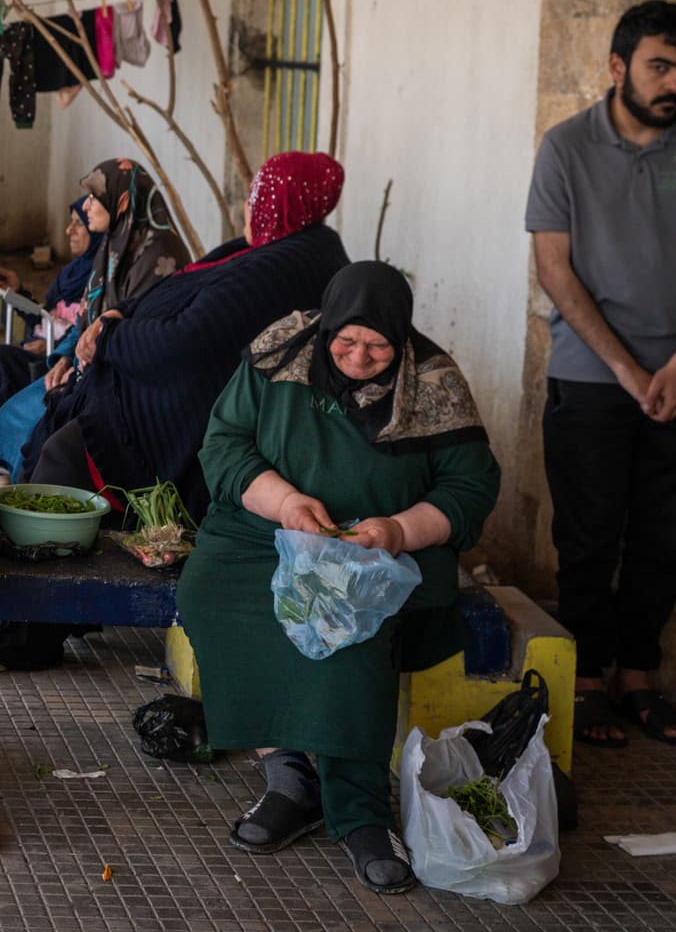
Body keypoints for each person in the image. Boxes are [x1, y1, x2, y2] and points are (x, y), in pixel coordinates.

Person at [177, 263, 500, 896]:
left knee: (348, 627)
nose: (358, 357)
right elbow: (225, 443)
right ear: (325, 326)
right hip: (268, 530)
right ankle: (290, 777)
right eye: (344, 342)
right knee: (213, 591)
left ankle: (361, 814)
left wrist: (396, 532)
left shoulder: (432, 380)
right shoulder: (279, 354)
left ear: (400, 339)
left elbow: (470, 486)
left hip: (377, 546)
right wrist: (289, 505)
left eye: (377, 346)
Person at [0, 152, 350, 673]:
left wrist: (113, 337)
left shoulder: (286, 264)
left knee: (62, 460)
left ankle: (24, 630)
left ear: (282, 203)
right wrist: (113, 323)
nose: (247, 205)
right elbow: (170, 303)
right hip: (161, 389)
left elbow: (190, 340)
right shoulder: (284, 249)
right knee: (51, 445)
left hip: (186, 417)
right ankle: (30, 622)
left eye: (258, 194)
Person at [526, 0, 676, 747]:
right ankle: (585, 682)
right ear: (618, 66)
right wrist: (626, 370)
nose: (674, 82)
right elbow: (554, 270)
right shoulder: (564, 149)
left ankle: (638, 680)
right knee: (588, 537)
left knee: (663, 538)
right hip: (590, 378)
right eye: (659, 66)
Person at [0, 158, 190, 475]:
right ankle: (11, 501)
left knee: (40, 431)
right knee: (10, 411)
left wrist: (89, 364)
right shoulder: (112, 247)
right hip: (84, 369)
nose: (88, 207)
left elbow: (143, 337)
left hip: (122, 383)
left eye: (95, 198)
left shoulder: (160, 256)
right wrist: (65, 358)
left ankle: (25, 505)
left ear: (122, 201)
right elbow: (86, 319)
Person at [0, 197, 95, 411]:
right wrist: (17, 292)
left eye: (79, 223)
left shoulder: (99, 280)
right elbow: (44, 317)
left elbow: (85, 330)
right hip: (37, 351)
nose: (68, 230)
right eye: (70, 222)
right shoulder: (69, 274)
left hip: (54, 364)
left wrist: (51, 347)